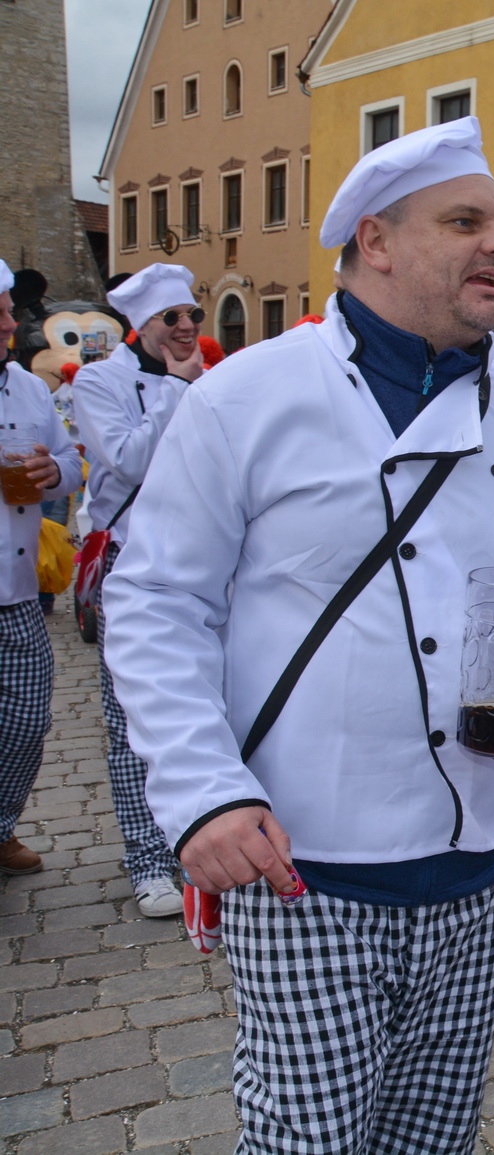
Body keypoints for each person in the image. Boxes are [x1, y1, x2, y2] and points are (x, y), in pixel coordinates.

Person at [101, 118, 494, 1153]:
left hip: (484, 857)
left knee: (438, 1136)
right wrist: (202, 793)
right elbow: (158, 602)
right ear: (376, 241)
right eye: (465, 221)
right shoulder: (249, 396)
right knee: (309, 1140)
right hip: (305, 862)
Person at [72, 262, 206, 918]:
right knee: (130, 720)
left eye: (193, 318)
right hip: (128, 565)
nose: (185, 329)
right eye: (171, 320)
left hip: (202, 563)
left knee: (205, 703)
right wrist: (178, 390)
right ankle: (148, 860)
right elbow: (127, 458)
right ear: (141, 325)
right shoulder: (100, 381)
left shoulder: (207, 379)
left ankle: (193, 842)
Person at [0, 259, 82, 875]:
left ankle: (0, 824)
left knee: (28, 721)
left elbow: (70, 461)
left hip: (20, 592)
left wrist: (56, 472)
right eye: (1, 312)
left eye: (9, 309)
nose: (13, 322)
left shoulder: (28, 387)